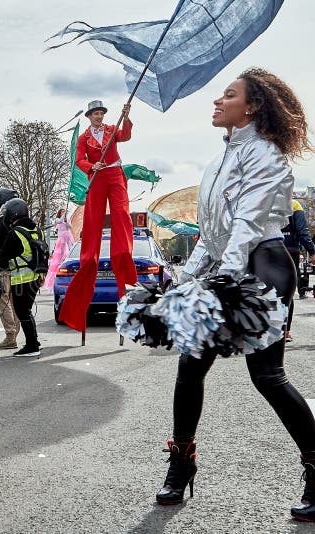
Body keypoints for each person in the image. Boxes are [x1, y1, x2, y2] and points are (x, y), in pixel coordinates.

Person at [153, 69, 315, 522]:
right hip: (229, 267)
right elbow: (214, 233)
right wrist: (184, 282)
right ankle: (181, 464)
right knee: (190, 366)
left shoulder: (267, 156)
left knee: (266, 375)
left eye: (228, 95)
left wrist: (224, 282)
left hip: (263, 267)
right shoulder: (216, 162)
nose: (216, 102)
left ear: (253, 106)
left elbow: (246, 226)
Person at [59, 100, 137, 332]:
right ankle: (89, 255)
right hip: (97, 175)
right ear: (90, 116)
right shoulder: (84, 138)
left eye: (101, 113)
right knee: (92, 219)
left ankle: (123, 251)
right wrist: (92, 166)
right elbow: (79, 160)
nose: (99, 117)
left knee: (121, 213)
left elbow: (126, 136)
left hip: (114, 173)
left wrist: (127, 117)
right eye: (95, 114)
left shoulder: (112, 130)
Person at [0, 199, 43, 357]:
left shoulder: (16, 233)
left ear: (13, 213)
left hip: (22, 279)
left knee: (22, 312)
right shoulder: (37, 230)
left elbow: (3, 256)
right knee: (26, 311)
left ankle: (32, 345)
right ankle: (34, 341)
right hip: (36, 277)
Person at [0, 188, 21, 349]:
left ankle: (10, 337)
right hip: (19, 270)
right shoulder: (20, 221)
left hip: (3, 269)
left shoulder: (3, 222)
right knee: (14, 304)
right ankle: (15, 334)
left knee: (3, 303)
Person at [282, 200, 315, 341]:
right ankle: (285, 332)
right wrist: (312, 251)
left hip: (266, 250)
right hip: (290, 252)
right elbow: (302, 231)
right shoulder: (294, 205)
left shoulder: (263, 199)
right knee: (287, 292)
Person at [45, 208, 75, 291]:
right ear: (59, 212)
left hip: (68, 235)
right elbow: (59, 221)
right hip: (61, 237)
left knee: (70, 248)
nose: (63, 212)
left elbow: (70, 226)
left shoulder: (66, 219)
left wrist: (66, 221)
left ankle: (68, 258)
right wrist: (63, 217)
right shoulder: (58, 219)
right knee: (61, 252)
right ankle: (61, 261)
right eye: (62, 211)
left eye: (64, 211)